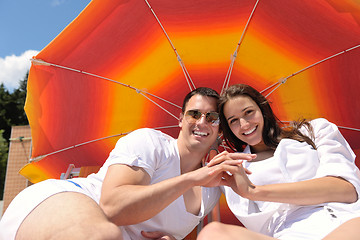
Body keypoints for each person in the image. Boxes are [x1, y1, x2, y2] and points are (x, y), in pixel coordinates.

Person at [0, 87, 251, 240]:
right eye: (194, 114)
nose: (202, 121)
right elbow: (113, 208)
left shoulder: (212, 192)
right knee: (100, 236)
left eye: (213, 116)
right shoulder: (150, 142)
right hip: (70, 203)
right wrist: (193, 178)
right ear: (180, 120)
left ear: (220, 129)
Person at [197, 84, 360, 240]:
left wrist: (254, 191)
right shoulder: (235, 169)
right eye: (233, 121)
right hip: (290, 234)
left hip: (344, 220)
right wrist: (209, 149)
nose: (245, 124)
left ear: (262, 109)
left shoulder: (314, 131)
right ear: (228, 128)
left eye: (248, 112)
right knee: (212, 232)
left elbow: (347, 190)